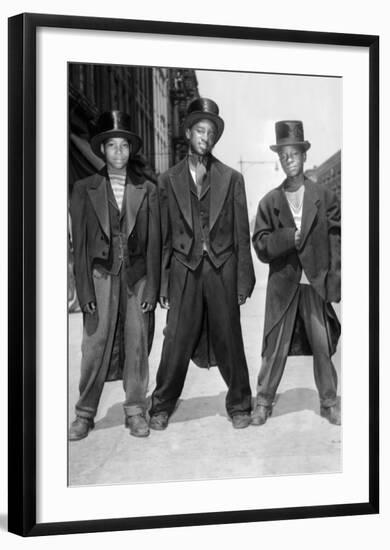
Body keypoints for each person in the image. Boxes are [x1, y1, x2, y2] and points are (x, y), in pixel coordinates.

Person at [149, 98, 255, 430]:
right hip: (184, 268)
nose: (205, 136)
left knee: (230, 337)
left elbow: (241, 233)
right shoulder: (167, 180)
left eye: (210, 132)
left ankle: (239, 403)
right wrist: (164, 284)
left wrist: (243, 282)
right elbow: (164, 236)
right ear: (187, 132)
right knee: (176, 338)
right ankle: (161, 405)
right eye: (200, 130)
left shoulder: (232, 178)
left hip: (222, 267)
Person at [69, 111, 160, 440]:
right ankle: (84, 413)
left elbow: (155, 242)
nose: (119, 152)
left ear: (130, 150)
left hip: (137, 277)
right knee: (94, 345)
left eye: (124, 146)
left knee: (137, 344)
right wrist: (84, 291)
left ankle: (136, 410)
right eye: (112, 146)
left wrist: (152, 289)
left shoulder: (146, 189)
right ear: (102, 150)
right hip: (100, 276)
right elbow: (78, 246)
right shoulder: (84, 189)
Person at [251, 120, 341, 426]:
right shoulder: (270, 201)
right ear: (280, 160)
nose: (289, 159)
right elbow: (260, 244)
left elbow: (336, 238)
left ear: (304, 156)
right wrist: (287, 238)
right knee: (274, 346)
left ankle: (329, 401)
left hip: (314, 282)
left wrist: (335, 277)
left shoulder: (324, 196)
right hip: (284, 284)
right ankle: (263, 401)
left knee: (322, 344)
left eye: (295, 153)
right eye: (284, 154)